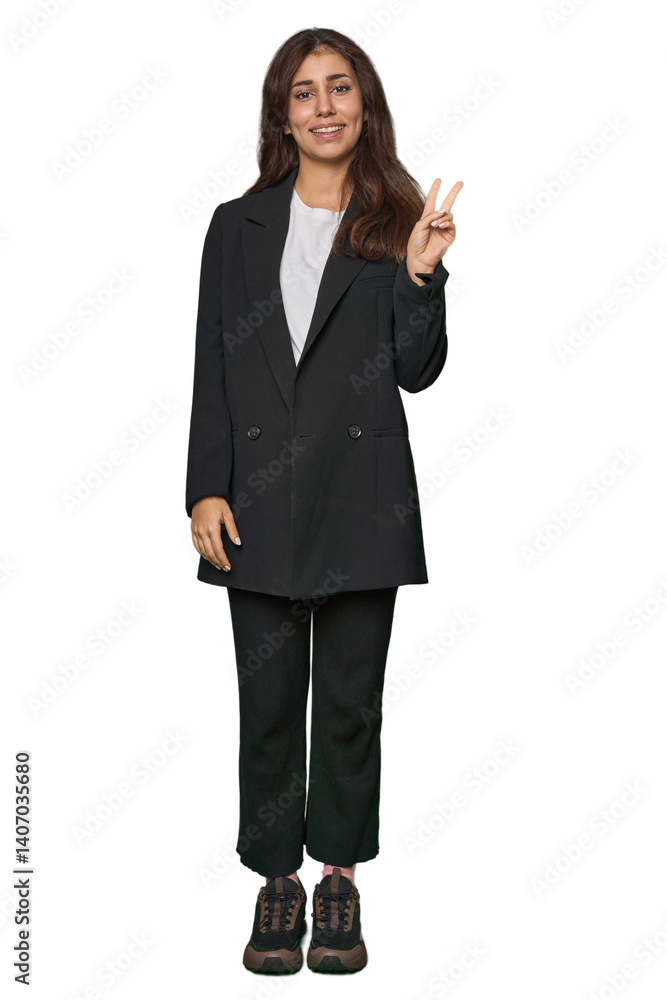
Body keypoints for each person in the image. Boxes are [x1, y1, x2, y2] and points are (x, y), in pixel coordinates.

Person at [185, 26, 461, 974]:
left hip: (360, 499)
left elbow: (416, 370)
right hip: (256, 500)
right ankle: (277, 880)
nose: (323, 106)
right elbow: (213, 363)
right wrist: (205, 488)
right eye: (303, 92)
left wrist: (420, 274)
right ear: (282, 116)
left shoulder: (397, 219)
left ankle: (337, 876)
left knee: (349, 703)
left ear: (364, 104)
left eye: (339, 87)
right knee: (266, 705)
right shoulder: (236, 225)